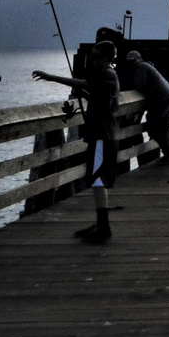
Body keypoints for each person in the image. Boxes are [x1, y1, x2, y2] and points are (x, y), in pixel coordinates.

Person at [34, 40, 121, 244]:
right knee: (97, 180)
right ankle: (101, 223)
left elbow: (82, 83)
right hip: (102, 135)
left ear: (108, 58)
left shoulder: (107, 75)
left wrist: (50, 77)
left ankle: (104, 226)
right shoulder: (106, 76)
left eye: (98, 57)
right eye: (93, 57)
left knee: (98, 180)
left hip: (103, 136)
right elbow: (99, 97)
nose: (94, 60)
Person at [119, 50, 169, 164]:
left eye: (133, 60)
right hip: (166, 97)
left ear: (139, 58)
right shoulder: (147, 66)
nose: (131, 63)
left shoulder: (142, 67)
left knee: (153, 130)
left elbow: (139, 86)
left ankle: (168, 154)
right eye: (129, 62)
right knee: (165, 128)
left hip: (160, 100)